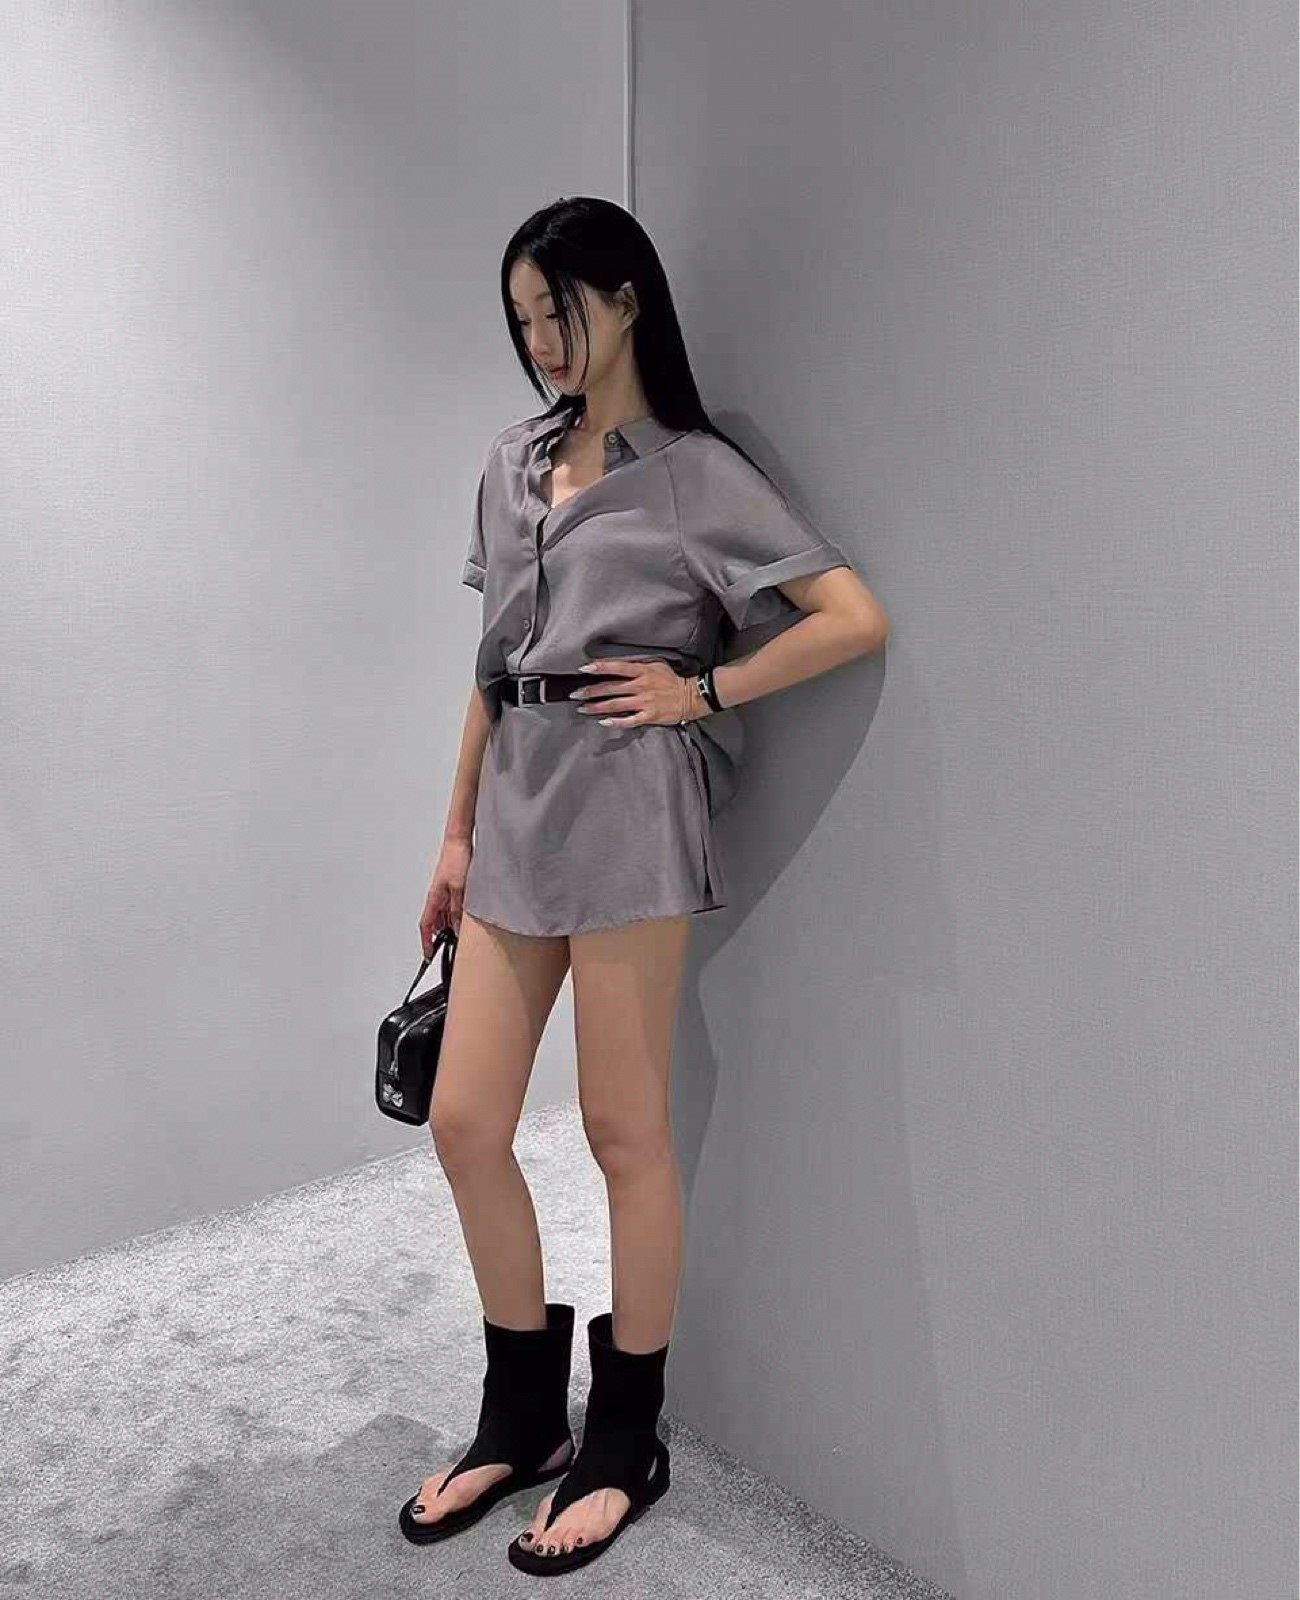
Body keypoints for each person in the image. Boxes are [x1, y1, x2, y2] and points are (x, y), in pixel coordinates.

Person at [398, 196, 890, 1575]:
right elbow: (492, 670)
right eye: (521, 320)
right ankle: (520, 1419)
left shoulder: (696, 474)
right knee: (464, 1120)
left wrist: (704, 690)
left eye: (557, 310)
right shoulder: (509, 463)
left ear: (624, 299)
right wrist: (453, 837)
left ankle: (625, 1441)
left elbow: (852, 617)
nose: (539, 341)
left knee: (625, 1132)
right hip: (514, 813)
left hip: (629, 810)